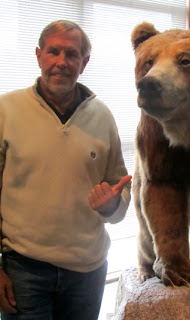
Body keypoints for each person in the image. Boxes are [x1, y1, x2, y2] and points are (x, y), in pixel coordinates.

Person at [0, 20, 131, 319]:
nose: (62, 62)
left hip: (89, 270)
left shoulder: (103, 116)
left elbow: (120, 187)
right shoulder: (5, 111)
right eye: (53, 52)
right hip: (24, 271)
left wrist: (113, 205)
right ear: (38, 56)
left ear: (84, 63)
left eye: (71, 54)